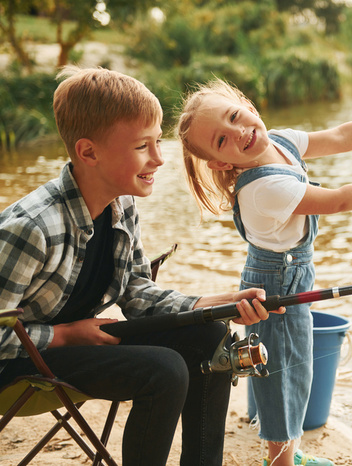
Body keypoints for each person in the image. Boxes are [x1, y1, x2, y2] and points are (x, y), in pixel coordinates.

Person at [0, 66, 285, 466]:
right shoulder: (31, 228)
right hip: (14, 364)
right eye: (141, 147)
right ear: (88, 152)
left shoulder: (123, 201)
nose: (159, 159)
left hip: (75, 343)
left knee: (212, 338)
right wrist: (65, 335)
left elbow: (136, 293)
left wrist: (220, 302)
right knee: (165, 369)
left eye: (157, 142)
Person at [176, 78, 352, 466]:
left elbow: (340, 136)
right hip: (276, 286)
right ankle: (282, 461)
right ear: (221, 163)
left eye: (236, 116)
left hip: (290, 275)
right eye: (222, 140)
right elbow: (338, 201)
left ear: (249, 107)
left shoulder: (280, 141)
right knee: (285, 375)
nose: (239, 132)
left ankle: (286, 453)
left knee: (285, 366)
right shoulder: (263, 189)